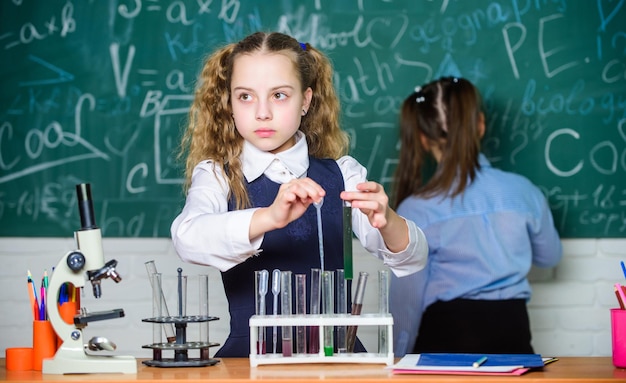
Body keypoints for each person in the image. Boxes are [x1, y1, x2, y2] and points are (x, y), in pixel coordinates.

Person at [170, 31, 428, 358]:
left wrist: (387, 219)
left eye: (279, 95)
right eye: (245, 96)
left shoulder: (343, 174)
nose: (262, 112)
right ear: (230, 104)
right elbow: (187, 237)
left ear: (305, 100)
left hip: (339, 359)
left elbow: (414, 257)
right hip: (251, 362)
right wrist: (269, 217)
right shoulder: (218, 175)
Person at [390, 76, 562, 356]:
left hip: (444, 341)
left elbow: (407, 301)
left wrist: (397, 356)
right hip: (514, 337)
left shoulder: (415, 209)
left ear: (423, 138)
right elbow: (550, 257)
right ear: (480, 125)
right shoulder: (523, 192)